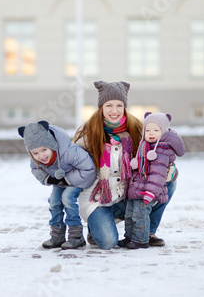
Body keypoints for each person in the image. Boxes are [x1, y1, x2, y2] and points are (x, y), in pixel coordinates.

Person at [73, 80, 180, 250]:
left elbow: (158, 150)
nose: (114, 111)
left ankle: (146, 232)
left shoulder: (137, 128)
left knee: (168, 183)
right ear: (101, 106)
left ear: (125, 106)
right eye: (109, 105)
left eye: (119, 105)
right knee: (108, 242)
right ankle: (95, 227)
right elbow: (73, 163)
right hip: (98, 197)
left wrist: (170, 170)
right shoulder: (88, 132)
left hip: (125, 194)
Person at [18, 120, 96, 249]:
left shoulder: (70, 152)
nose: (41, 156)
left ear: (52, 145)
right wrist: (49, 179)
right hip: (59, 182)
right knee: (54, 202)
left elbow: (88, 169)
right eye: (35, 153)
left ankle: (76, 236)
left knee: (67, 199)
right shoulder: (37, 160)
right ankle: (57, 235)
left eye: (44, 150)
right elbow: (36, 169)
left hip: (76, 180)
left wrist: (68, 180)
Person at [119, 112, 185, 249]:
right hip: (138, 188)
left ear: (163, 131)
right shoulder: (145, 146)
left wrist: (150, 192)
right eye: (148, 130)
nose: (151, 133)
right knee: (130, 214)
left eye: (156, 130)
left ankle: (141, 239)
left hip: (148, 191)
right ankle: (129, 236)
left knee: (140, 214)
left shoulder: (161, 150)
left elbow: (158, 174)